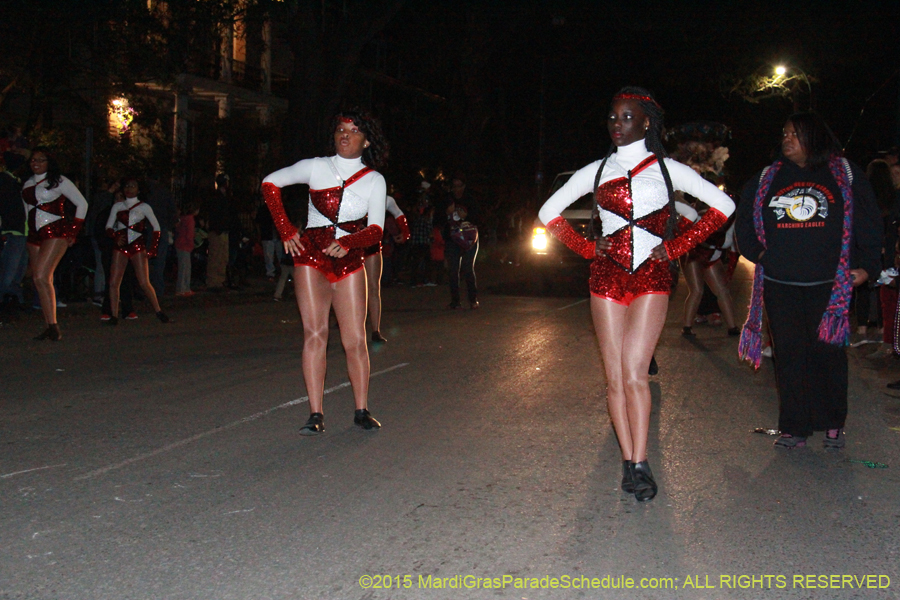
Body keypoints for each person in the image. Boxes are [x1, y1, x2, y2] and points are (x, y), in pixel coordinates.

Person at [538, 87, 735, 501]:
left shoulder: (668, 169)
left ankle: (642, 460)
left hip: (652, 277)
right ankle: (628, 461)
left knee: (635, 374)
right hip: (606, 278)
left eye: (627, 117)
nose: (617, 124)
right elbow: (547, 212)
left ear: (646, 122)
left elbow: (722, 207)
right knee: (614, 379)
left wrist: (678, 247)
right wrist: (587, 248)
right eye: (612, 117)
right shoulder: (596, 170)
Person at [736, 112, 881, 450]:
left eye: (794, 134)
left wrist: (868, 267)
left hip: (829, 286)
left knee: (828, 355)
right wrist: (759, 254)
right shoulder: (767, 178)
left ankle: (833, 423)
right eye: (784, 133)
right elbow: (744, 222)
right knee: (788, 355)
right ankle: (794, 427)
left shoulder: (843, 174)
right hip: (780, 284)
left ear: (814, 138)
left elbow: (869, 220)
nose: (786, 139)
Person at [261, 107, 388, 435]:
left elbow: (376, 230)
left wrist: (349, 243)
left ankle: (361, 409)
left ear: (366, 141)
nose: (345, 135)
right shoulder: (315, 166)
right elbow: (269, 183)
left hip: (347, 259)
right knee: (315, 333)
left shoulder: (374, 179)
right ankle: (315, 413)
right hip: (310, 257)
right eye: (341, 129)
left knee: (355, 339)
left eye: (354, 130)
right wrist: (286, 228)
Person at [22, 147, 88, 341]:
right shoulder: (27, 184)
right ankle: (51, 325)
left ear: (49, 162)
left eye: (41, 160)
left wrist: (73, 231)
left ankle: (53, 326)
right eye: (33, 160)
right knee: (39, 279)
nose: (36, 163)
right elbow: (27, 211)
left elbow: (82, 204)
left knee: (42, 275)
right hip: (34, 234)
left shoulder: (59, 181)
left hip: (55, 232)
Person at [104, 178, 170, 324]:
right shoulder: (118, 206)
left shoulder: (144, 207)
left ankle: (158, 310)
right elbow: (108, 226)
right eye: (126, 185)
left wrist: (153, 249)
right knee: (114, 281)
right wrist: (115, 236)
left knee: (144, 282)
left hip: (137, 246)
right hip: (121, 247)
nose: (129, 189)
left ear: (139, 190)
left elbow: (156, 228)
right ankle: (114, 315)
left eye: (133, 186)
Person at [364, 194, 409, 343]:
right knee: (353, 288)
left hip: (371, 244)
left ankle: (375, 330)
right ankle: (351, 323)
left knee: (373, 287)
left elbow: (398, 213)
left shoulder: (384, 198)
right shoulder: (352, 192)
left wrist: (405, 232)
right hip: (349, 244)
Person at [442, 174, 480, 309]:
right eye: (454, 186)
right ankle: (455, 301)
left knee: (468, 268)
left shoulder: (470, 199)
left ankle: (473, 299)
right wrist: (447, 213)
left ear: (464, 186)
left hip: (469, 238)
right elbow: (440, 219)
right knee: (453, 270)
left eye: (459, 186)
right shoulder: (448, 199)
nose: (457, 189)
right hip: (453, 239)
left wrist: (467, 217)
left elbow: (479, 218)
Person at [0, 151, 28, 317]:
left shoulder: (13, 182)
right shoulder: (6, 181)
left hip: (20, 230)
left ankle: (14, 302)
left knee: (17, 270)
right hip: (13, 230)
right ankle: (8, 302)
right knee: (10, 271)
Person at [175, 200, 199, 296]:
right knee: (185, 268)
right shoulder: (190, 219)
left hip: (180, 244)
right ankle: (182, 288)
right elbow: (190, 234)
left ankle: (184, 288)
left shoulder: (183, 218)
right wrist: (191, 244)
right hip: (185, 245)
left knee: (184, 267)